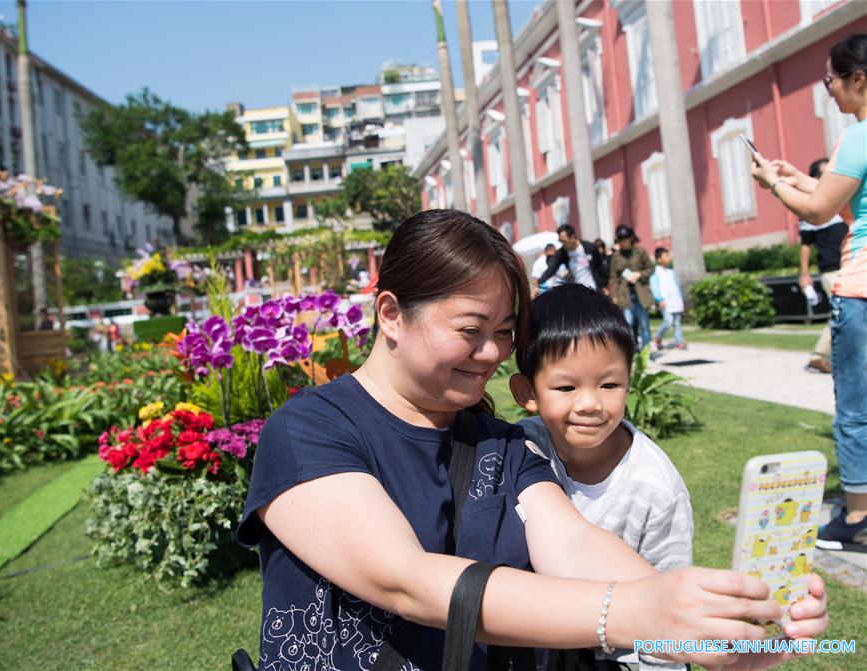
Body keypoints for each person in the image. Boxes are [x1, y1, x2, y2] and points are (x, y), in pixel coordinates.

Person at [237, 209, 828, 670]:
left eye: (503, 331)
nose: (494, 353)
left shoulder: (506, 444)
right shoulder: (309, 431)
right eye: (471, 330)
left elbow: (571, 544)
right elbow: (407, 579)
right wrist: (635, 611)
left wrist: (696, 619)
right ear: (391, 314)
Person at [510, 284, 692, 670]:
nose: (590, 404)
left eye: (609, 385)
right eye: (566, 387)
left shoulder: (656, 488)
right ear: (527, 391)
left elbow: (670, 608)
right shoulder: (518, 450)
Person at [750, 32, 867, 549]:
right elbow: (840, 199)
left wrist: (773, 185)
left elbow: (819, 211)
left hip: (861, 288)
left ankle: (859, 518)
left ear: (858, 80)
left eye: (831, 81)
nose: (829, 92)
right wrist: (797, 176)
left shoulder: (858, 135)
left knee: (855, 409)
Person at [797, 158, 849, 375]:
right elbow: (805, 245)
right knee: (843, 313)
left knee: (846, 312)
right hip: (832, 269)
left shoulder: (840, 200)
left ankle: (822, 356)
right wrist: (804, 274)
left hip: (849, 265)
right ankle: (818, 356)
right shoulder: (812, 207)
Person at [609, 225, 654, 351]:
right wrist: (614, 295)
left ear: (631, 238)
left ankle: (646, 353)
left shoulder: (640, 252)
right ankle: (632, 352)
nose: (623, 242)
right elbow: (613, 278)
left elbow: (651, 269)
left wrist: (639, 274)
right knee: (628, 324)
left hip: (641, 293)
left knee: (644, 325)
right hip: (625, 295)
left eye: (625, 238)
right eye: (620, 239)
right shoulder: (616, 256)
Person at [536, 224, 609, 292]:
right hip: (577, 292)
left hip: (594, 290)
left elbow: (600, 267)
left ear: (572, 237)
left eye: (564, 241)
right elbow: (552, 269)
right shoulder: (562, 253)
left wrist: (604, 285)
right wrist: (539, 281)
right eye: (560, 241)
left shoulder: (590, 248)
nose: (562, 244)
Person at [651, 248, 686, 351]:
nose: (668, 258)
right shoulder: (655, 274)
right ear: (659, 259)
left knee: (677, 322)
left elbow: (677, 286)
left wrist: (681, 298)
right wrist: (659, 299)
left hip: (675, 301)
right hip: (665, 302)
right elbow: (655, 287)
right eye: (666, 256)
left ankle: (679, 341)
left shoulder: (671, 272)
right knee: (668, 321)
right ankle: (658, 336)